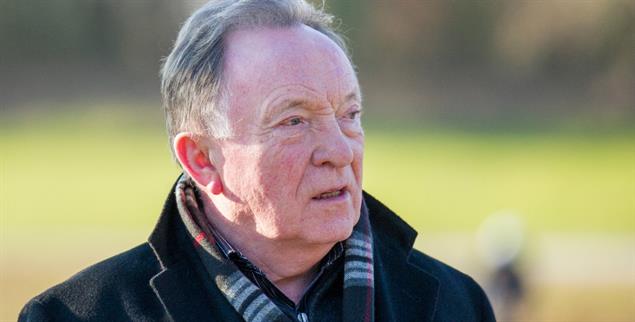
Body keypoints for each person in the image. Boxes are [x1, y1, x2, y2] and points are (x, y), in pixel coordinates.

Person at [19, 1, 495, 321]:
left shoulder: (457, 304)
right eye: (293, 121)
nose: (340, 150)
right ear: (203, 159)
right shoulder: (77, 315)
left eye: (349, 114)